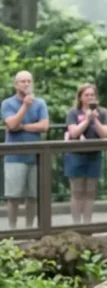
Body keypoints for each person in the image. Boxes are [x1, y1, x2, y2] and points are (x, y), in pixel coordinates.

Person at [2, 71, 49, 229]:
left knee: (33, 196)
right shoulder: (7, 104)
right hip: (14, 157)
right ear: (16, 84)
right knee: (14, 197)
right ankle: (12, 229)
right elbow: (12, 124)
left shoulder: (40, 103)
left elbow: (44, 126)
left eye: (29, 81)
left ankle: (30, 228)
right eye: (23, 81)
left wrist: (23, 127)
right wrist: (25, 106)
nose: (26, 84)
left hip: (35, 157)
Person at [64, 83, 107, 225]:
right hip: (76, 156)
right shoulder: (73, 113)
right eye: (86, 95)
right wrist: (86, 120)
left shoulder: (102, 113)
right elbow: (74, 133)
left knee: (90, 192)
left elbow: (104, 134)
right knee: (76, 191)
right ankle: (77, 224)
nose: (90, 98)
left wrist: (94, 119)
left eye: (92, 95)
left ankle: (87, 224)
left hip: (94, 155)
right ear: (80, 97)